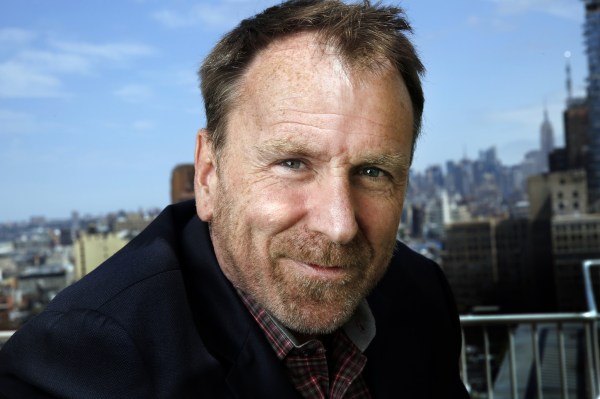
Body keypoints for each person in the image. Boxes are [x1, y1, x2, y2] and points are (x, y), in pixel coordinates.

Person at [0, 1, 470, 398]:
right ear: (208, 176)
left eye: (373, 172)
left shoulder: (420, 292)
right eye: (292, 163)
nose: (339, 224)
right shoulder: (88, 359)